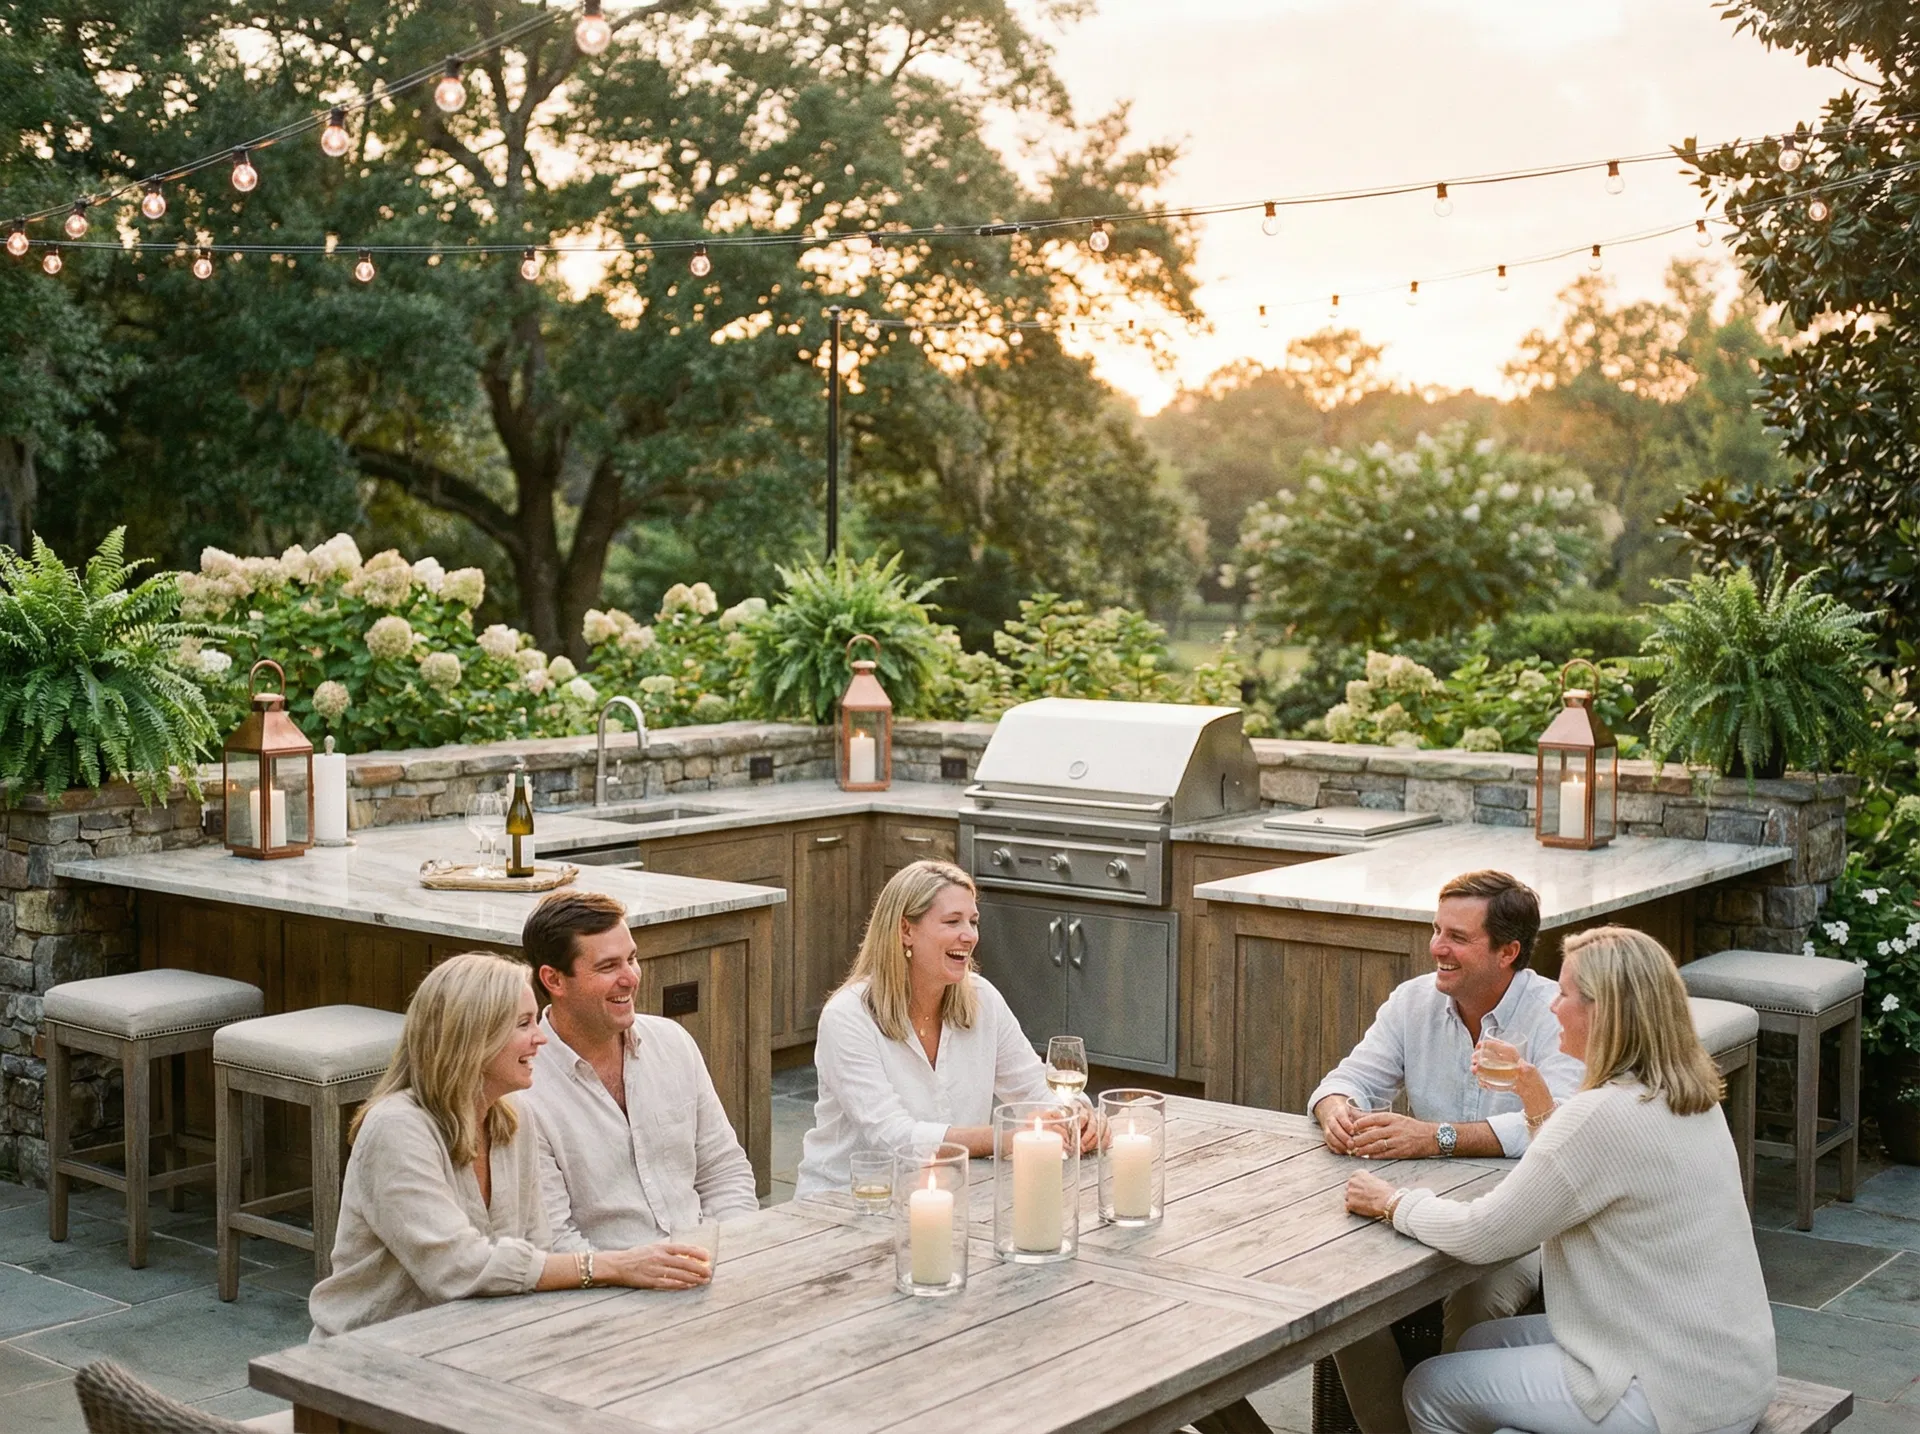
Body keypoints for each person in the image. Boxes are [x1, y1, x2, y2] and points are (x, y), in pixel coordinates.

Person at [1346, 926, 1775, 1434]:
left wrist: (1393, 1201)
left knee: (1430, 1388)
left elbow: (1482, 1234)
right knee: (1477, 1344)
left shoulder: (1601, 1114)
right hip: (1725, 1369)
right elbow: (1581, 1171)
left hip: (1669, 1395)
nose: (1553, 1007)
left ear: (1605, 1012)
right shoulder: (1683, 1094)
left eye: (1566, 994)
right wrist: (1534, 1094)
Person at [1308, 869, 1585, 1430]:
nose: (1437, 947)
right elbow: (1347, 1079)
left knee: (1476, 1299)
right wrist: (1336, 1109)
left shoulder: (1558, 1013)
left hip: (1523, 1216)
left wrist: (1436, 1137)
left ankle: (1451, 1418)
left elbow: (1555, 1127)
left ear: (1508, 951)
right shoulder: (1414, 1002)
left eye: (1457, 937)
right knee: (1335, 1303)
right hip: (1417, 1205)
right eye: (1437, 931)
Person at [309, 952, 698, 1339]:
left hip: (482, 1339)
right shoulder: (397, 1128)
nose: (540, 1037)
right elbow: (456, 1268)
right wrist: (611, 1266)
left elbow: (537, 1250)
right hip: (374, 1352)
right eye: (524, 1024)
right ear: (471, 1037)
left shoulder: (514, 1119)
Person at [795, 860, 1084, 1199]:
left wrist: (1075, 1118)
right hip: (848, 1205)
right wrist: (1006, 1137)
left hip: (950, 1197)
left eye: (973, 921)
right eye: (952, 922)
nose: (970, 935)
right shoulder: (847, 1016)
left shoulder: (982, 999)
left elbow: (1037, 1088)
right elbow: (894, 1136)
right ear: (906, 930)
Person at [518, 890, 758, 1259]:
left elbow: (723, 1172)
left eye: (632, 958)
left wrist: (736, 1249)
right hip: (605, 1290)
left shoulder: (673, 1043)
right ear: (554, 980)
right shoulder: (524, 1087)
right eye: (608, 966)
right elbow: (554, 1239)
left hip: (709, 1262)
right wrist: (634, 1276)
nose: (630, 978)